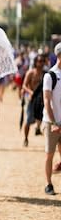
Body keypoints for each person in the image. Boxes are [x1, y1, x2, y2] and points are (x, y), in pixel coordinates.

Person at [42, 43, 61, 195]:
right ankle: (48, 184)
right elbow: (47, 100)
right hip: (51, 122)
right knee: (50, 154)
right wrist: (54, 122)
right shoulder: (50, 76)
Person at [22, 54, 45, 146]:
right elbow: (24, 85)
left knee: (43, 118)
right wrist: (31, 92)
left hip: (42, 100)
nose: (41, 63)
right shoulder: (30, 73)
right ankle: (26, 138)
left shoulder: (45, 74)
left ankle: (38, 128)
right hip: (31, 100)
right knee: (28, 120)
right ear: (35, 62)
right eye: (39, 61)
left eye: (42, 61)